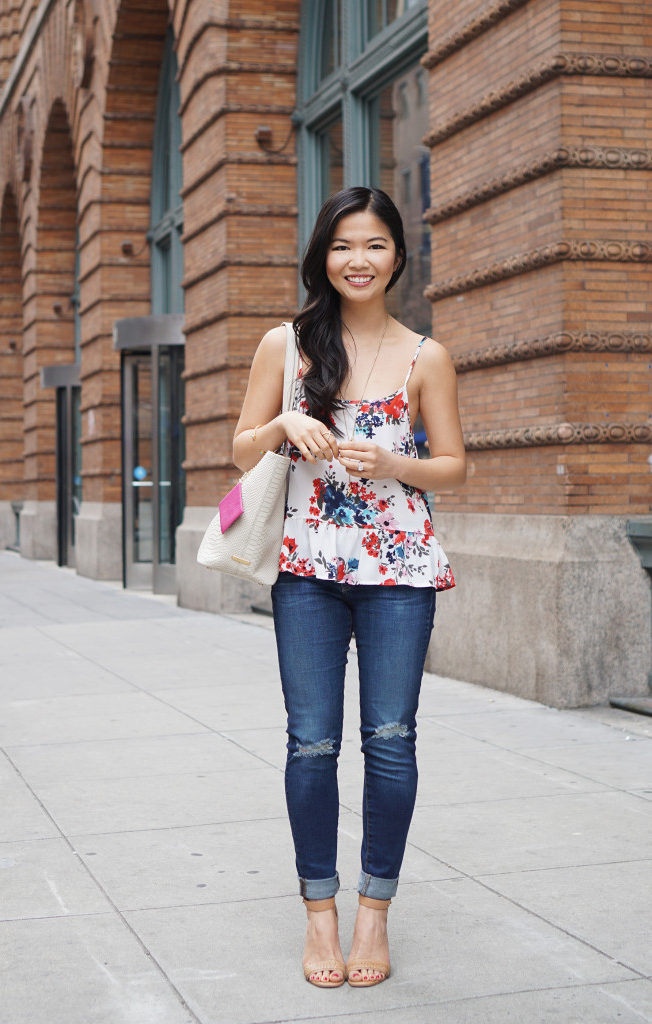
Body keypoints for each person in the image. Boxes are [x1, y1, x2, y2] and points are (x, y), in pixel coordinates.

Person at [233, 186, 466, 988]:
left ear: (397, 255)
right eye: (341, 246)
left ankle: (375, 912)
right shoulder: (285, 346)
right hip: (306, 574)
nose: (356, 261)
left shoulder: (424, 355)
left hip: (399, 573)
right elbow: (238, 451)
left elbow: (454, 466)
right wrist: (281, 427)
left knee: (391, 743)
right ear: (321, 257)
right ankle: (320, 917)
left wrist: (399, 464)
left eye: (372, 245)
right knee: (311, 743)